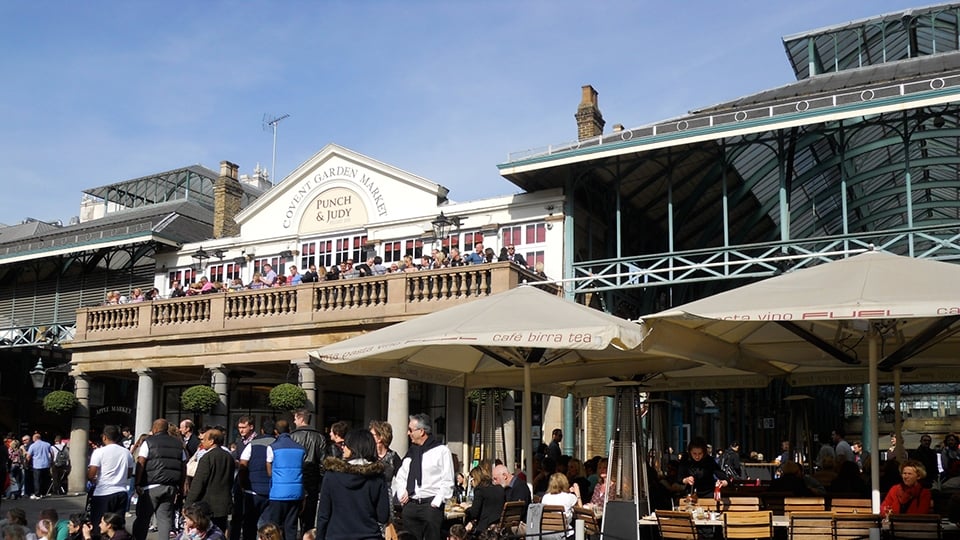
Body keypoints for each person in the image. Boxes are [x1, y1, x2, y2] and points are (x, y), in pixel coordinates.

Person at [316, 429, 390, 540]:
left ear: (353, 448)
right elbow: (383, 516)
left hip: (336, 535)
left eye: (345, 444)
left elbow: (323, 514)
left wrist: (320, 537)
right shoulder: (377, 477)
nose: (343, 448)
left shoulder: (331, 476)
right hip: (369, 535)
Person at [393, 413, 455, 540]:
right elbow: (401, 476)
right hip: (411, 505)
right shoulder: (412, 452)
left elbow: (448, 479)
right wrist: (402, 493)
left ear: (421, 431)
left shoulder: (441, 451)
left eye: (411, 430)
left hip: (430, 505)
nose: (408, 433)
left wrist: (436, 502)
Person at [133, 419, 186, 540]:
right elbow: (184, 466)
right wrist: (181, 486)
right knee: (165, 518)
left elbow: (141, 462)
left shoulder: (148, 442)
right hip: (171, 486)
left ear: (155, 429)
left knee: (143, 518)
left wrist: (137, 483)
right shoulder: (178, 444)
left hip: (151, 485)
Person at [184, 427, 235, 532]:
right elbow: (230, 480)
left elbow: (199, 482)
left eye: (204, 439)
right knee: (220, 532)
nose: (202, 442)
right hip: (224, 503)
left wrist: (188, 504)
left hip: (208, 505)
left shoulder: (207, 458)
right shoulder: (228, 457)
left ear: (211, 441)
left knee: (208, 533)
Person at [261, 420, 305, 540]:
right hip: (296, 492)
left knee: (275, 527)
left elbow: (269, 470)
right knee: (291, 526)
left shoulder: (272, 447)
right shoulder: (300, 448)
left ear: (276, 432)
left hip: (278, 493)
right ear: (289, 430)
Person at [88, 425, 136, 530]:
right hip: (121, 492)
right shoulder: (126, 452)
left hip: (103, 492)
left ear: (104, 437)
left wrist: (94, 479)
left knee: (99, 524)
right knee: (117, 525)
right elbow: (129, 474)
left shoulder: (99, 452)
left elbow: (91, 474)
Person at [290, 409, 329, 535]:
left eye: (295, 418)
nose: (294, 421)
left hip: (296, 478)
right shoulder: (319, 437)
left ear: (301, 419)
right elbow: (324, 462)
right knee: (309, 518)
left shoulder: (293, 436)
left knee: (292, 517)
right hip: (312, 479)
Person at [464, 466, 504, 535]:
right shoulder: (499, 488)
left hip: (484, 529)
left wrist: (466, 509)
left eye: (471, 480)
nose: (470, 483)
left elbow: (474, 514)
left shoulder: (479, 490)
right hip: (498, 528)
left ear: (475, 478)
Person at [369, 420, 401, 485]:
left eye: (372, 435)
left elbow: (402, 478)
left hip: (386, 490)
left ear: (380, 437)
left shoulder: (393, 457)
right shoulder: (369, 455)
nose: (369, 437)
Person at [25, 433, 52, 499]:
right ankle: (44, 493)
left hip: (37, 465)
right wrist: (51, 461)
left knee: (37, 480)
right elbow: (52, 453)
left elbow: (28, 456)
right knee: (45, 479)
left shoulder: (33, 446)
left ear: (35, 438)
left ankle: (37, 494)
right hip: (46, 464)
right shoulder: (47, 444)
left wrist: (27, 463)